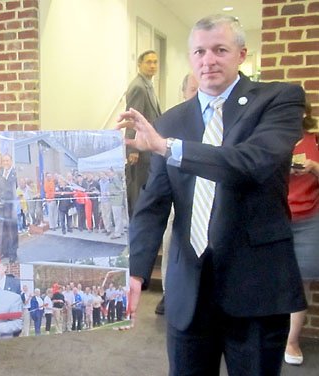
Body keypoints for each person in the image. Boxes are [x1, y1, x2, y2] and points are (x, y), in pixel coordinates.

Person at [118, 14, 306, 375]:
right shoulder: (171, 121)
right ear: (191, 58)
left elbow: (251, 162)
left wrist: (170, 148)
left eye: (220, 50)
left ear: (241, 54)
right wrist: (136, 272)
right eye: (200, 52)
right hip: (189, 290)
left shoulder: (278, 100)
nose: (209, 60)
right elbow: (153, 206)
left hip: (256, 289)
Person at [156, 72, 200, 316]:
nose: (197, 95)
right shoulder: (172, 122)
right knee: (171, 240)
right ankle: (168, 292)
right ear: (183, 93)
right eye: (193, 90)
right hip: (179, 197)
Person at [285, 102, 319, 366]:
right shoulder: (273, 138)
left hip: (308, 220)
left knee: (301, 282)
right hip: (275, 218)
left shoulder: (315, 141)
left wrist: (313, 167)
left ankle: (292, 340)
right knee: (268, 279)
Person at [125, 49, 162, 218]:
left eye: (155, 62)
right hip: (140, 151)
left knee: (145, 192)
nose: (153, 65)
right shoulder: (139, 87)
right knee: (138, 194)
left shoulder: (148, 85)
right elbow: (132, 118)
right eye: (149, 62)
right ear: (139, 64)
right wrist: (133, 149)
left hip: (148, 148)